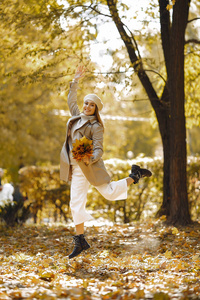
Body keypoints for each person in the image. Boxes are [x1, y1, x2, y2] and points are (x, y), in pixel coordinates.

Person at [60, 66, 152, 259]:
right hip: (76, 170)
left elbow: (100, 149)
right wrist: (75, 79)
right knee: (75, 204)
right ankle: (80, 241)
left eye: (91, 105)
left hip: (90, 167)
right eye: (85, 103)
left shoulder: (96, 126)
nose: (86, 106)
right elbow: (71, 99)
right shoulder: (76, 117)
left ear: (96, 109)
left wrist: (90, 157)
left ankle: (134, 176)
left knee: (109, 194)